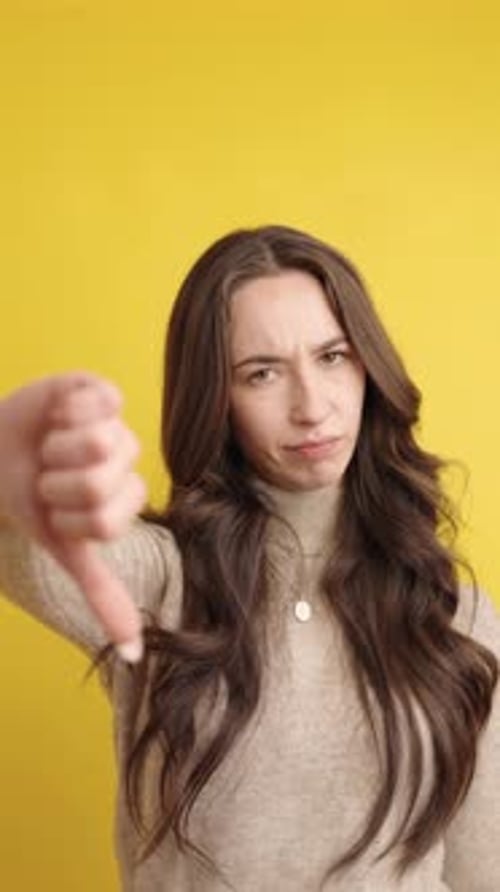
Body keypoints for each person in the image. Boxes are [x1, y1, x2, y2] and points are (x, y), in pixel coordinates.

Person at [0, 225, 498, 892]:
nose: (312, 407)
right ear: (216, 397)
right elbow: (19, 539)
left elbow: (484, 868)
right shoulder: (159, 580)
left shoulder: (455, 614)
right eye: (262, 373)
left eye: (332, 356)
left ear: (369, 366)